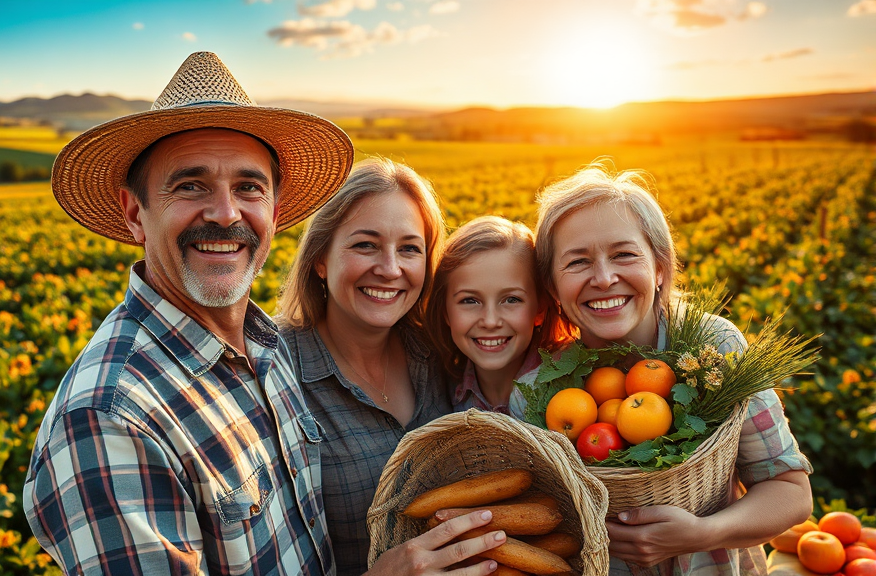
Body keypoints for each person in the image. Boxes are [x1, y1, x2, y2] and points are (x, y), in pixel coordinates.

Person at [23, 52, 363, 575]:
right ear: (136, 214)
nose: (226, 213)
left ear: (274, 210)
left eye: (249, 187)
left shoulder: (268, 345)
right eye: (190, 186)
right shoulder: (108, 418)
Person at [532, 163, 814, 575]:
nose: (605, 278)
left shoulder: (716, 348)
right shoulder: (544, 386)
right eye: (577, 262)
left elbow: (791, 491)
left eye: (624, 254)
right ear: (554, 288)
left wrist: (704, 532)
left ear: (660, 267)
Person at [277, 158, 506, 576]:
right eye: (365, 245)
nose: (390, 268)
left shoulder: (441, 349)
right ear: (320, 259)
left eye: (409, 248)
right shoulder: (274, 372)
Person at [425, 215, 571, 419]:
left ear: (540, 309)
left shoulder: (572, 383)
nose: (491, 321)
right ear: (445, 312)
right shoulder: (437, 394)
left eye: (511, 300)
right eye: (469, 301)